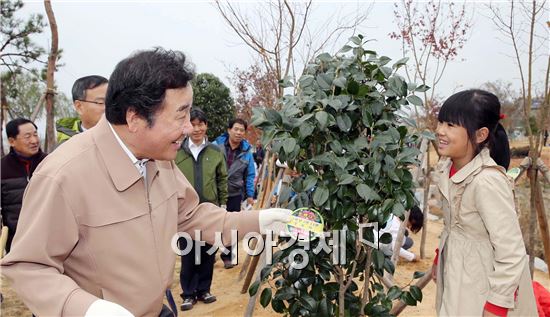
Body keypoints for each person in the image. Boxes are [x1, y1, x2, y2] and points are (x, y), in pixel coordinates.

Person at [1, 48, 289, 317]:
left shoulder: (160, 159)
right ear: (135, 118)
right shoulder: (63, 176)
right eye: (180, 115)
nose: (190, 127)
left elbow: (191, 216)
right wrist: (88, 309)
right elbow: (29, 265)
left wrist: (260, 221)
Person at [431, 89, 537, 316]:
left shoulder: (486, 182)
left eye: (450, 125)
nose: (440, 131)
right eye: (440, 122)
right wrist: (441, 256)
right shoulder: (446, 169)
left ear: (480, 135)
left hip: (482, 285)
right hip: (458, 273)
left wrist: (496, 306)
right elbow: (454, 226)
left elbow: (511, 253)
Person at [174, 108, 227, 311]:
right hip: (184, 213)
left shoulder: (215, 151)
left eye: (201, 124)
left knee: (207, 253)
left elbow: (222, 178)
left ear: (206, 126)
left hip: (209, 211)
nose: (197, 129)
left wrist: (222, 204)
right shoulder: (177, 150)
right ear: (187, 126)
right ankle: (188, 293)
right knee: (188, 254)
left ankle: (204, 290)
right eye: (193, 124)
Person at [213, 118, 256, 269]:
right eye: (236, 129)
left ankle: (227, 256)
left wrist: (250, 195)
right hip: (215, 192)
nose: (238, 133)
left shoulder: (246, 152)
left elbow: (250, 175)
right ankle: (209, 254)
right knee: (212, 224)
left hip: (234, 193)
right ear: (229, 130)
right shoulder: (215, 146)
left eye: (242, 130)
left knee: (231, 227)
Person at [1, 118, 47, 254]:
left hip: (50, 237)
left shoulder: (50, 162)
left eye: (35, 134)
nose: (34, 140)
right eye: (27, 137)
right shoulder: (2, 169)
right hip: (17, 242)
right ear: (12, 141)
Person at [56, 75, 108, 144]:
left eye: (111, 101)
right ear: (79, 107)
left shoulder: (122, 134)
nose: (108, 107)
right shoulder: (67, 146)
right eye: (101, 102)